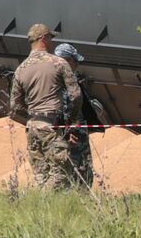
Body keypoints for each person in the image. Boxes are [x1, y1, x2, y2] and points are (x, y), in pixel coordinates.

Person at [9, 24, 81, 190]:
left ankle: (40, 206)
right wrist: (72, 122)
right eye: (51, 38)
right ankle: (46, 201)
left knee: (41, 174)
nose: (52, 43)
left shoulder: (21, 69)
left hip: (32, 127)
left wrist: (33, 117)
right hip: (52, 125)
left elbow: (14, 105)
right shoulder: (58, 63)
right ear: (44, 39)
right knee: (62, 171)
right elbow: (76, 95)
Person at [52, 41, 95, 188]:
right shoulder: (64, 81)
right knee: (81, 171)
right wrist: (70, 130)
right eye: (75, 61)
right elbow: (66, 108)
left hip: (62, 133)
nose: (77, 64)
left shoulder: (50, 79)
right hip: (73, 135)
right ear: (67, 61)